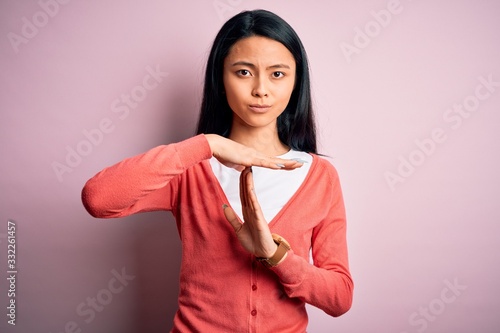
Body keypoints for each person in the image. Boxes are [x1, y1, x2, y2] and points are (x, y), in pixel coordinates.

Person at [82, 9, 353, 332]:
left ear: (296, 82)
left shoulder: (320, 176)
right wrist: (205, 145)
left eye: (278, 74)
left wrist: (276, 257)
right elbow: (98, 198)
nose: (261, 89)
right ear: (220, 79)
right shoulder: (191, 168)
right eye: (243, 72)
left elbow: (339, 297)